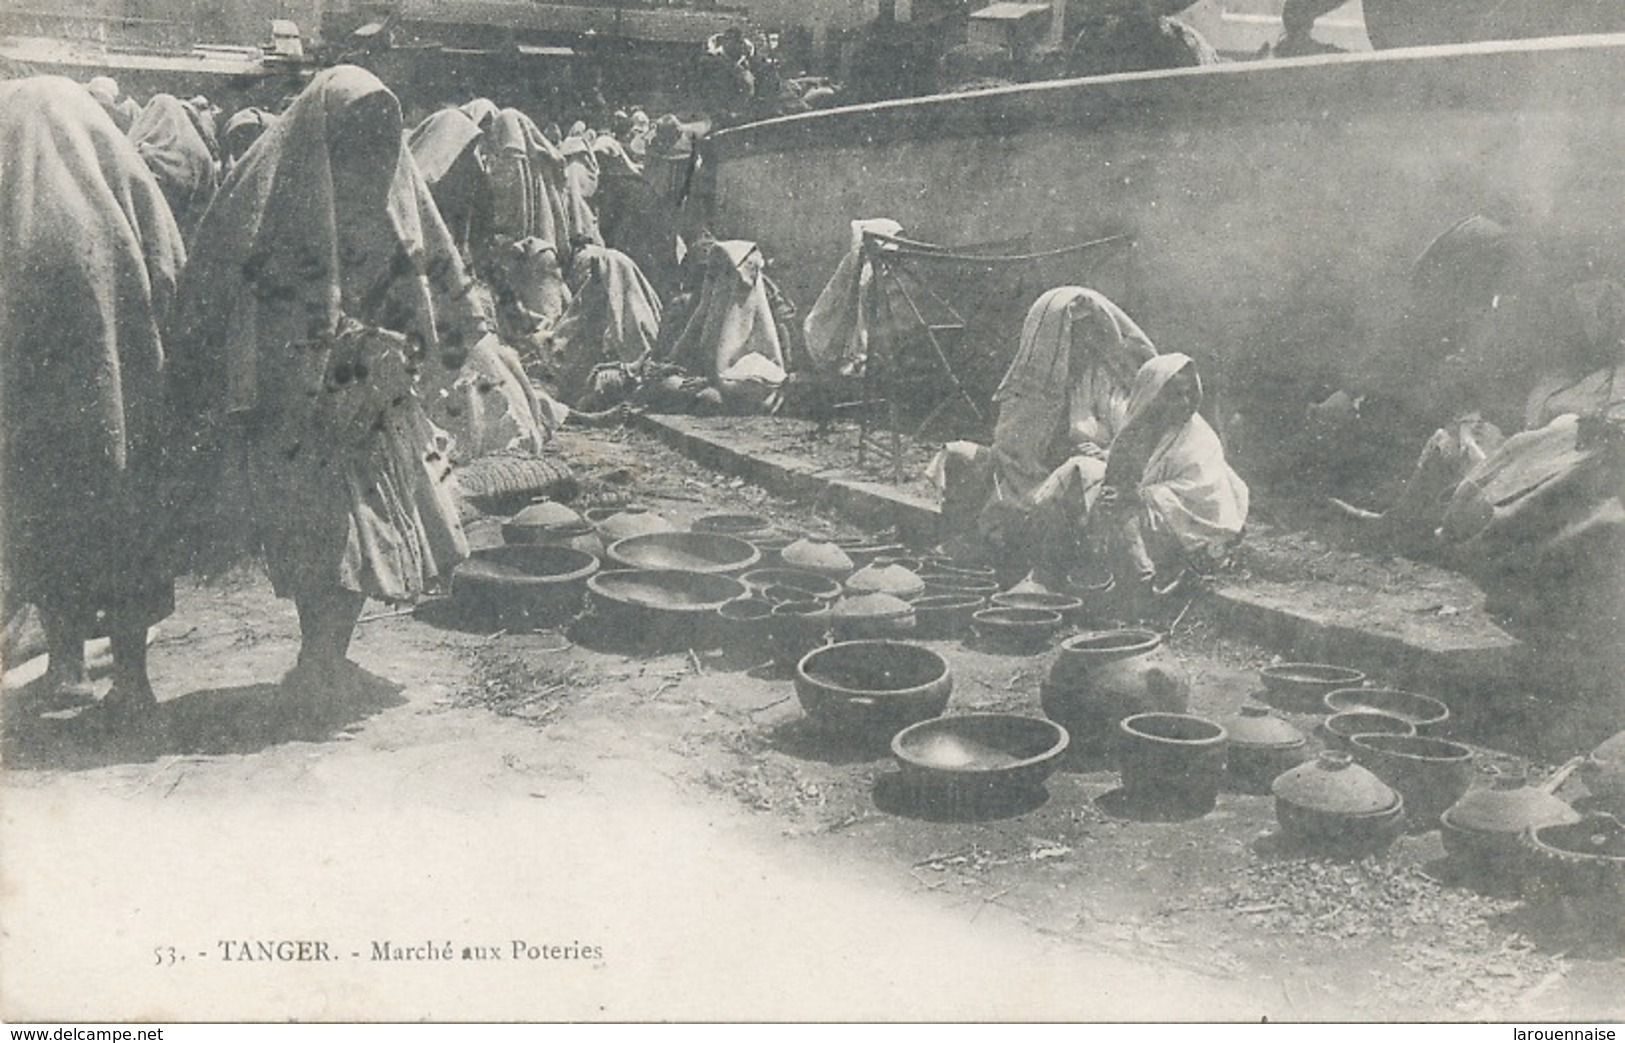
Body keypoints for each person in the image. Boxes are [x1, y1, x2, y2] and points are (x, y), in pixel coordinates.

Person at [165, 66, 488, 692]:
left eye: (379, 133)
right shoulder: (274, 186)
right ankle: (319, 654)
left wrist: (412, 345)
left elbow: (429, 276)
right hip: (292, 401)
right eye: (356, 131)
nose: (368, 147)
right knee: (317, 531)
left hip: (370, 395)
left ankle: (326, 655)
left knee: (364, 528)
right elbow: (228, 287)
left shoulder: (391, 186)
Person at [0, 76, 188, 718]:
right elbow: (171, 264)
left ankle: (67, 666)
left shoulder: (12, 181)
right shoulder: (115, 170)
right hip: (127, 408)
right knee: (130, 528)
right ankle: (133, 680)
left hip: (37, 419)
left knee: (51, 528)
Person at [930, 287, 1158, 563]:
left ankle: (1047, 569)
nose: (1080, 343)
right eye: (1072, 334)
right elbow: (1007, 449)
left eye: (1087, 332)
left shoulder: (1102, 382)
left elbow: (1134, 441)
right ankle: (967, 545)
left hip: (1077, 486)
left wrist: (1104, 454)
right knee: (959, 454)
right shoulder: (1026, 388)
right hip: (1022, 480)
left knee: (1080, 474)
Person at [128, 93, 219, 237]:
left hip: (142, 234)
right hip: (184, 235)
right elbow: (209, 203)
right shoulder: (201, 155)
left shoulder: (137, 154)